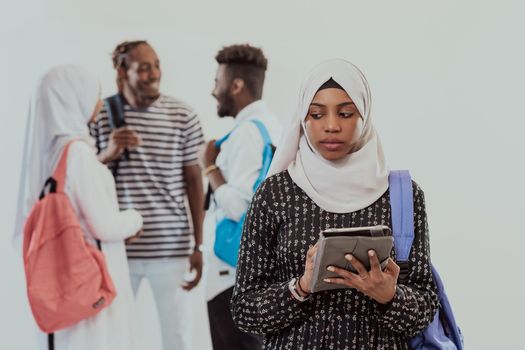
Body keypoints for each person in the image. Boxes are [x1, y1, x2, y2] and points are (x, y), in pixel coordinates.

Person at [231, 59, 440, 349]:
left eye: (345, 113)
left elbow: (426, 305)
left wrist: (389, 296)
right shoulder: (275, 193)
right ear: (303, 118)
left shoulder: (402, 195)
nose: (330, 126)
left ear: (364, 115)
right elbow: (244, 311)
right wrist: (301, 286)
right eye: (316, 114)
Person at [14, 65, 143, 350]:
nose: (99, 103)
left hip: (63, 278)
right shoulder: (79, 154)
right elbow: (105, 226)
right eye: (95, 94)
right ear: (72, 98)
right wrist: (135, 218)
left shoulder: (48, 154)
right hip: (90, 279)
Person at [89, 40, 205, 350]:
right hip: (117, 249)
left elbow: (194, 181)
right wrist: (108, 153)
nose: (154, 74)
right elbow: (82, 177)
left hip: (171, 247)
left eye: (156, 65)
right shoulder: (101, 116)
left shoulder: (183, 115)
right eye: (144, 68)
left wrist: (199, 244)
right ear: (122, 71)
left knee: (176, 335)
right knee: (113, 336)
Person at [200, 44, 281, 350]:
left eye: (216, 82)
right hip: (255, 269)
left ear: (236, 85)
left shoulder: (247, 133)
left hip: (230, 273)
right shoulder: (273, 127)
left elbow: (240, 205)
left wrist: (209, 165)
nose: (213, 90)